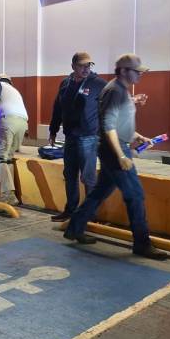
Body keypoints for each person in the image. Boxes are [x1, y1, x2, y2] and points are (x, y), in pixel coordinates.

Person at [64, 53, 167, 260]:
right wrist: (121, 155)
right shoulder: (115, 91)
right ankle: (142, 244)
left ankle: (74, 228)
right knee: (135, 195)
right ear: (124, 71)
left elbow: (119, 123)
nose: (140, 75)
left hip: (115, 147)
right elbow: (108, 125)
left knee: (100, 192)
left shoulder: (120, 90)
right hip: (115, 150)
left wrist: (137, 136)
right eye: (137, 72)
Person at [48, 52, 108, 222]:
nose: (86, 69)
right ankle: (71, 210)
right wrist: (53, 130)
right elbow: (58, 108)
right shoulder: (65, 83)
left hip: (88, 137)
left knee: (88, 177)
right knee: (69, 175)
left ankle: (90, 214)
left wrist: (131, 100)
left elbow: (113, 100)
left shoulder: (98, 83)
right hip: (70, 137)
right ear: (73, 66)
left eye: (89, 65)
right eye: (82, 65)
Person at [0, 74, 28, 206]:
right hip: (23, 123)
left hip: (8, 120)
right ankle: (10, 194)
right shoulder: (15, 91)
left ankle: (8, 195)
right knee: (8, 158)